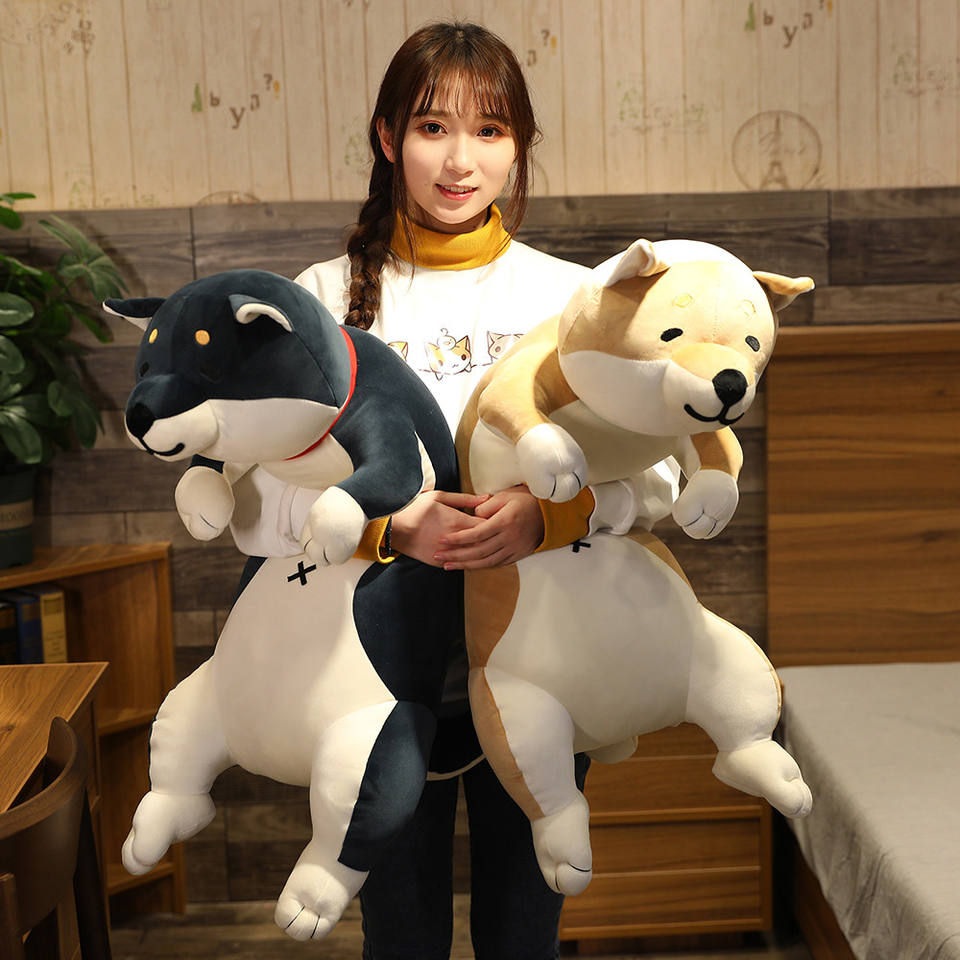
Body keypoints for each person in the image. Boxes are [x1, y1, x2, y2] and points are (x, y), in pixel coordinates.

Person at [221, 20, 677, 959]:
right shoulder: (317, 300)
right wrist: (390, 529)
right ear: (389, 137)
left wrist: (550, 517)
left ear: (519, 147)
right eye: (433, 127)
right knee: (402, 935)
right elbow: (251, 509)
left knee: (525, 933)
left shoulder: (574, 299)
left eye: (490, 130)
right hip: (368, 678)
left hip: (541, 663)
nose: (460, 161)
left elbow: (661, 474)